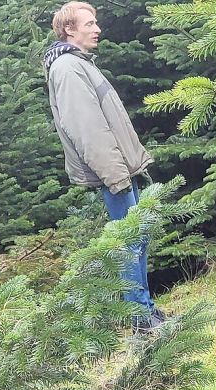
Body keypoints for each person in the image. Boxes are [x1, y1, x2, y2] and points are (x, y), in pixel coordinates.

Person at [43, 1, 164, 331]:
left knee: (137, 240)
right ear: (69, 29)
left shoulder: (81, 64)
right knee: (128, 243)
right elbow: (87, 129)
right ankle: (139, 320)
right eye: (90, 24)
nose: (98, 29)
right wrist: (116, 176)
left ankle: (146, 309)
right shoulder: (67, 68)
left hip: (123, 169)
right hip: (115, 173)